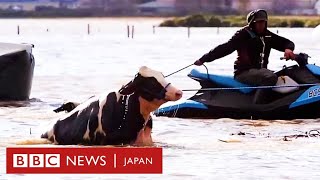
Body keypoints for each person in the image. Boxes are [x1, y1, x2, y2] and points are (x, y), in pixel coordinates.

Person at [194, 9, 296, 104]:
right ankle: (259, 105)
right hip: (244, 73)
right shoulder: (242, 35)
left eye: (263, 22)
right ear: (252, 23)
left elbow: (286, 42)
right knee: (270, 77)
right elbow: (224, 48)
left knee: (283, 74)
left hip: (260, 72)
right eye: (258, 23)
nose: (261, 25)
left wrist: (288, 49)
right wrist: (204, 59)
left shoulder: (267, 35)